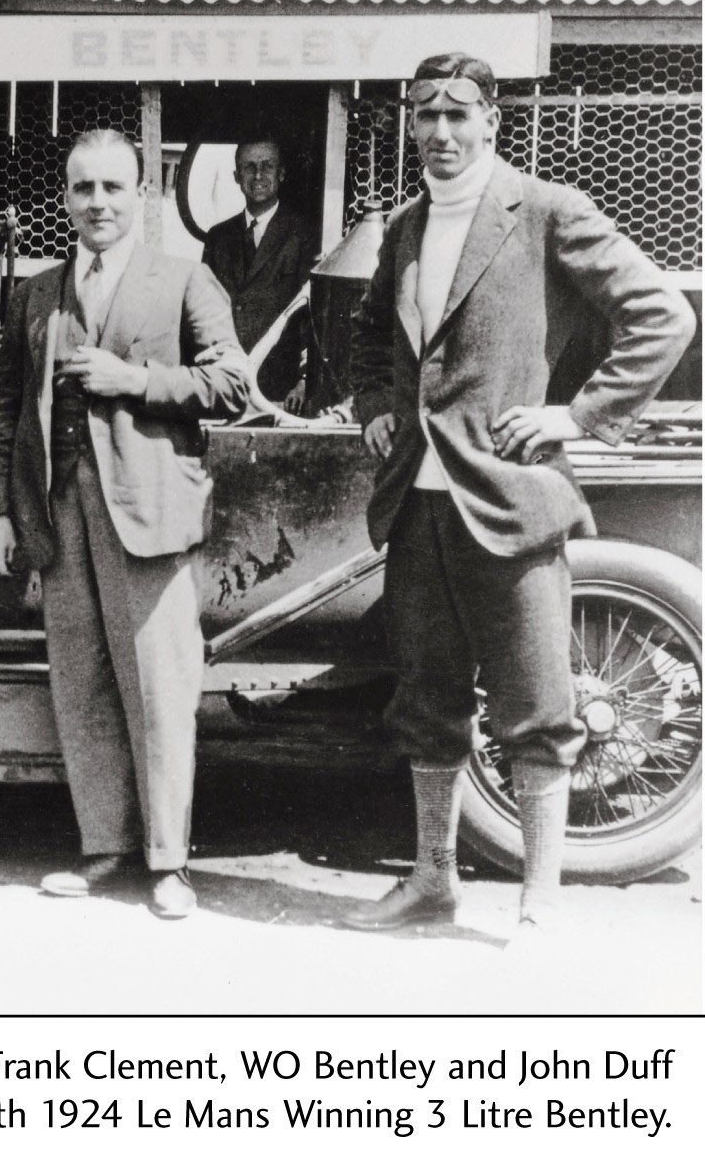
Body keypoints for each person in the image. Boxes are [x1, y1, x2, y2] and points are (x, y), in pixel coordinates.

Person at [342, 54, 694, 938]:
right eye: (426, 115)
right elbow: (372, 330)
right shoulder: (405, 227)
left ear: (493, 121)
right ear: (409, 124)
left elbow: (662, 315)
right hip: (418, 504)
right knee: (425, 704)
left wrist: (574, 417)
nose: (442, 133)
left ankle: (540, 900)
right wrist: (378, 406)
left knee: (537, 706)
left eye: (460, 115)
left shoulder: (546, 212)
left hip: (512, 501)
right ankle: (431, 882)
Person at [0, 130, 251, 919]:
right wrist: (2, 510)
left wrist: (133, 380)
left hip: (149, 513)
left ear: (142, 194)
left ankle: (169, 863)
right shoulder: (36, 292)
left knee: (160, 691)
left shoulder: (184, 278)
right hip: (58, 512)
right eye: (81, 189)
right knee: (84, 684)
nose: (96, 203)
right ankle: (103, 848)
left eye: (111, 188)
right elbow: (6, 409)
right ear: (65, 198)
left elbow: (234, 383)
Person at [201, 139, 317, 407]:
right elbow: (205, 311)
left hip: (281, 389)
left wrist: (303, 380)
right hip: (227, 381)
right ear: (236, 176)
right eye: (248, 167)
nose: (258, 176)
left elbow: (310, 315)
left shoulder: (303, 235)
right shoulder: (218, 238)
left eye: (267, 166)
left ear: (281, 174)